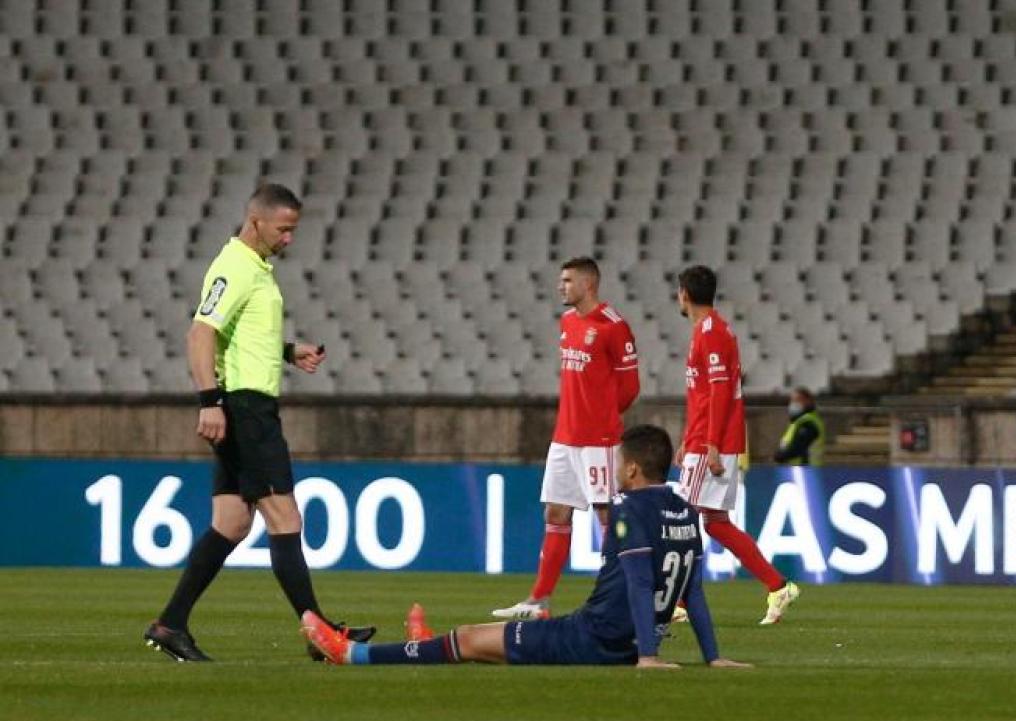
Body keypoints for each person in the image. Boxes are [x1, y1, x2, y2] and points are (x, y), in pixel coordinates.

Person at [143, 183, 373, 662]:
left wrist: (288, 351)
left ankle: (170, 623)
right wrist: (209, 400)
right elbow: (200, 332)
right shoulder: (234, 266)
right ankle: (320, 634)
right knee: (285, 518)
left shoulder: (255, 269)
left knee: (230, 524)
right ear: (256, 222)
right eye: (284, 229)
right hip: (245, 409)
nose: (289, 238)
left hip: (246, 404)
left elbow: (237, 334)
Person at [303, 425, 750, 669]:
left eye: (617, 465)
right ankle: (425, 647)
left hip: (589, 640)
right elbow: (691, 591)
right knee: (477, 644)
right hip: (622, 643)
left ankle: (353, 654)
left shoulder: (628, 509)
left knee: (467, 639)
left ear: (631, 470)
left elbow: (636, 583)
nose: (612, 472)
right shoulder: (685, 510)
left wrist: (649, 658)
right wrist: (713, 657)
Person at [492, 257, 640, 620]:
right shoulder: (568, 321)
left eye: (568, 280)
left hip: (598, 440)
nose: (561, 286)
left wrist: (602, 418)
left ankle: (618, 596)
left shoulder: (613, 326)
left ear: (588, 284)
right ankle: (538, 600)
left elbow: (630, 387)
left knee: (607, 515)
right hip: (565, 437)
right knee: (555, 512)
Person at [675, 265, 800, 625]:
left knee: (681, 520)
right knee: (714, 522)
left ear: (684, 293)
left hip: (713, 443)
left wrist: (709, 443)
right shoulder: (709, 331)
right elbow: (701, 395)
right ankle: (778, 586)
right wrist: (688, 438)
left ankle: (680, 602)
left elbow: (718, 393)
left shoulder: (711, 333)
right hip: (705, 440)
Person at [772, 387, 826, 466]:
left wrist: (779, 456)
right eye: (792, 400)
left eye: (797, 400)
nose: (793, 404)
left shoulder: (808, 422)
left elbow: (798, 447)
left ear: (808, 401)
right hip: (798, 470)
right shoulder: (798, 421)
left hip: (806, 469)